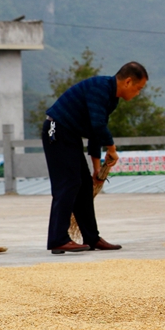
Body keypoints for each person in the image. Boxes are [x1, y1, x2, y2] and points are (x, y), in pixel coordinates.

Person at [42, 62, 148, 254]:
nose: (138, 93)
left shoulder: (112, 98)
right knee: (68, 184)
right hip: (56, 130)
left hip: (70, 135)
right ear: (128, 81)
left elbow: (94, 132)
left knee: (83, 186)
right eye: (138, 88)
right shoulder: (100, 88)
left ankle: (91, 237)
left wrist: (96, 168)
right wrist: (112, 149)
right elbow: (99, 126)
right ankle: (58, 239)